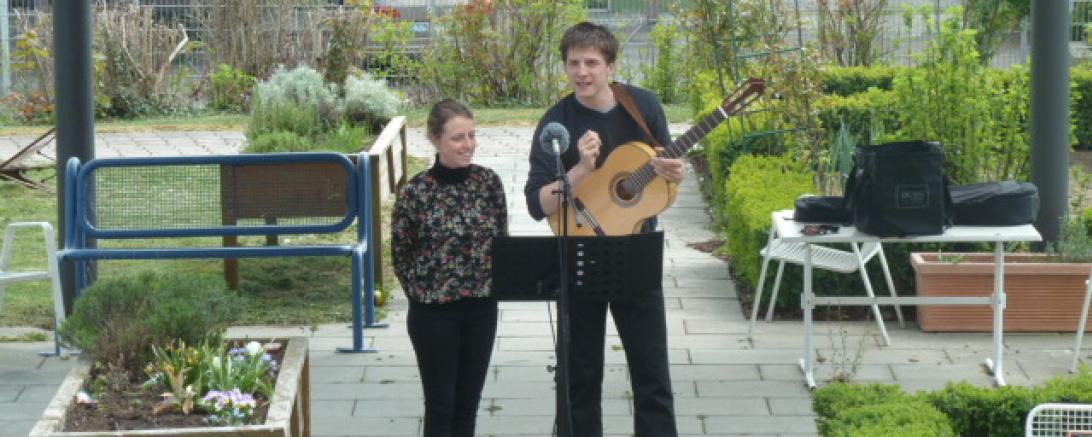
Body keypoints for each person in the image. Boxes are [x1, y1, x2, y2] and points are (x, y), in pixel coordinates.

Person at [523, 21, 685, 437]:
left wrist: (675, 173)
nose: (582, 72)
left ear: (610, 66)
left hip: (637, 251)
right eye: (573, 63)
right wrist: (580, 169)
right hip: (578, 253)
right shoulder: (556, 122)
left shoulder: (643, 106)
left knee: (652, 372)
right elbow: (537, 205)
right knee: (578, 375)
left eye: (592, 62)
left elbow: (662, 180)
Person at [392, 99, 508, 437]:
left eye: (472, 135)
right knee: (441, 406)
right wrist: (422, 295)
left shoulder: (489, 183)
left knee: (468, 407)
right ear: (434, 139)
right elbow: (401, 253)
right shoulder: (416, 192)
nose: (468, 145)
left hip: (481, 309)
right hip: (434, 314)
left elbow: (501, 240)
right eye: (459, 138)